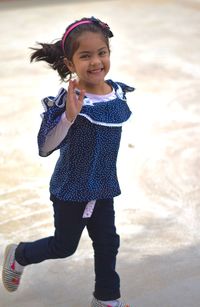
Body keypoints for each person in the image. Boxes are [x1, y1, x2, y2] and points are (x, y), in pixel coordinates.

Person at [2, 16, 134, 307]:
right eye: (85, 56)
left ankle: (106, 300)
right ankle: (20, 254)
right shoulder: (71, 99)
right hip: (72, 189)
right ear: (71, 63)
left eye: (102, 52)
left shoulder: (116, 92)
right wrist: (68, 117)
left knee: (108, 243)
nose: (96, 61)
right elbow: (46, 147)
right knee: (64, 247)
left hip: (102, 186)